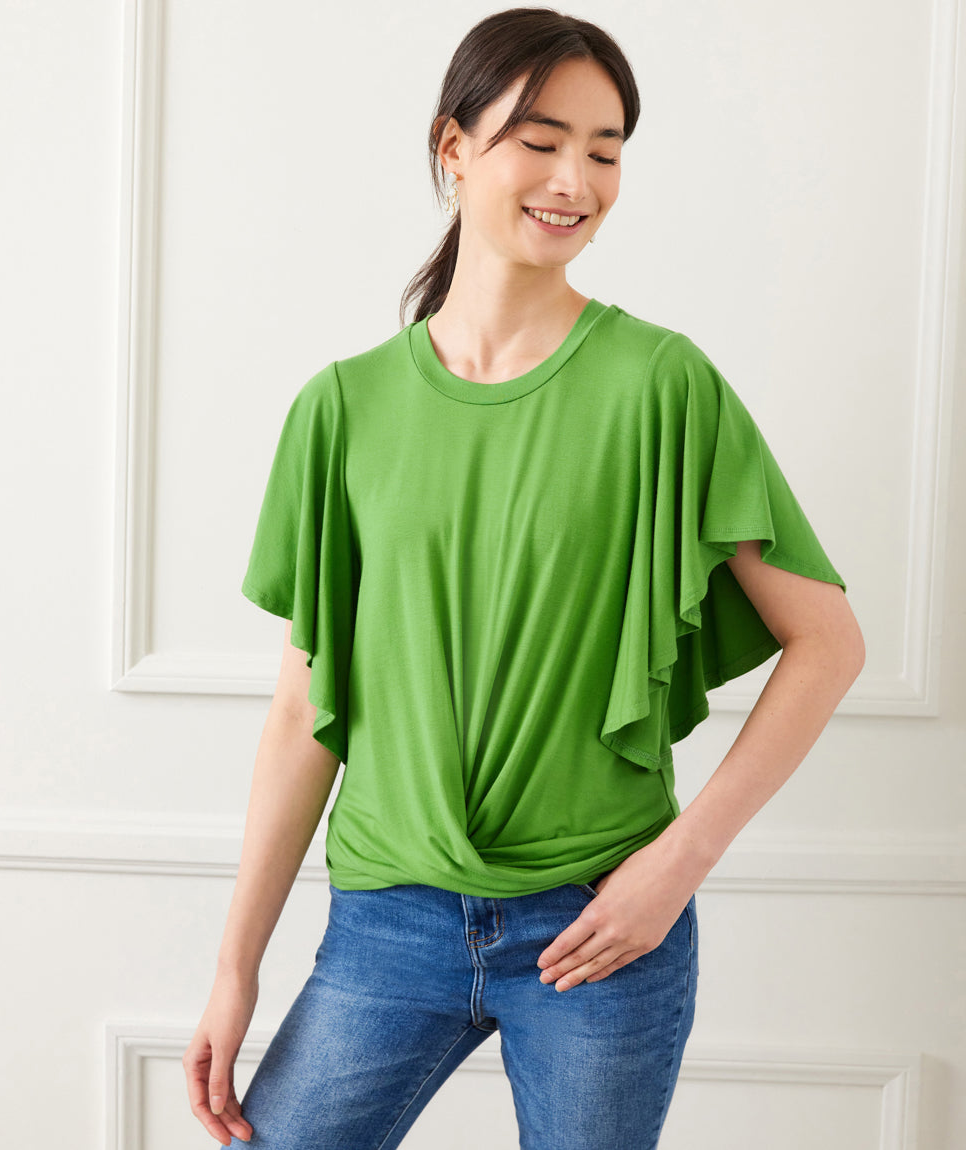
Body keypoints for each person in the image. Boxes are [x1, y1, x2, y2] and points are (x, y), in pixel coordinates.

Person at [182, 8, 865, 1148]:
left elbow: (828, 641)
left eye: (604, 151)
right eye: (540, 141)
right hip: (386, 922)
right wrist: (233, 969)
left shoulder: (663, 386)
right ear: (453, 147)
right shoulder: (342, 409)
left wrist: (674, 867)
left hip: (600, 925)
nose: (574, 182)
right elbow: (305, 706)